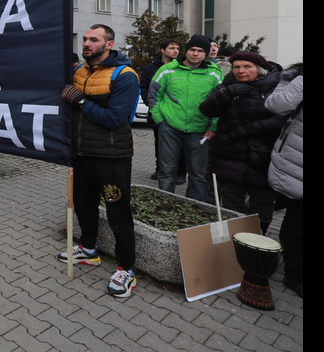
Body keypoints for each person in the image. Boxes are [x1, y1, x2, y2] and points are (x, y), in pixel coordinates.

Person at [58, 24, 140, 299]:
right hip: (82, 155)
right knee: (83, 205)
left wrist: (80, 101)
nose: (87, 43)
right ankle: (89, 249)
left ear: (109, 44)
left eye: (94, 39)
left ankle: (127, 269)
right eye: (84, 39)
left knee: (118, 213)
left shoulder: (125, 75)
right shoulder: (79, 72)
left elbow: (114, 119)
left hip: (111, 157)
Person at [199, 52, 284, 233]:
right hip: (229, 156)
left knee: (262, 209)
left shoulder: (276, 87)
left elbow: (280, 121)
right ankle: (234, 245)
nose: (241, 71)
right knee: (231, 209)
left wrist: (244, 130)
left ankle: (257, 244)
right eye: (236, 67)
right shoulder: (228, 85)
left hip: (262, 159)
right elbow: (207, 109)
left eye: (247, 67)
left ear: (259, 70)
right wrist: (226, 94)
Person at [147, 34, 223, 201]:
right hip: (170, 128)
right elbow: (153, 96)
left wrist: (212, 127)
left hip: (199, 131)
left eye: (200, 51)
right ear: (186, 51)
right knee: (166, 171)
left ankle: (195, 209)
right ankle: (166, 206)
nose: (195, 54)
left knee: (198, 174)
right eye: (192, 50)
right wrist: (160, 120)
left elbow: (219, 103)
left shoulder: (215, 74)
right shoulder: (167, 70)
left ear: (206, 54)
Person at [265, 62, 303, 297]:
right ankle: (294, 273)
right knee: (297, 221)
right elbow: (276, 105)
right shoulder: (293, 77)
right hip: (295, 161)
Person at [139, 38, 181, 182]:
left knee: (180, 145)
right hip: (158, 113)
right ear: (162, 50)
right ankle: (160, 170)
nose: (175, 51)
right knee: (160, 144)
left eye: (177, 48)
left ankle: (180, 172)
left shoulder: (181, 67)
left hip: (177, 113)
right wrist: (150, 104)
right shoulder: (151, 68)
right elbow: (144, 86)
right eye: (172, 48)